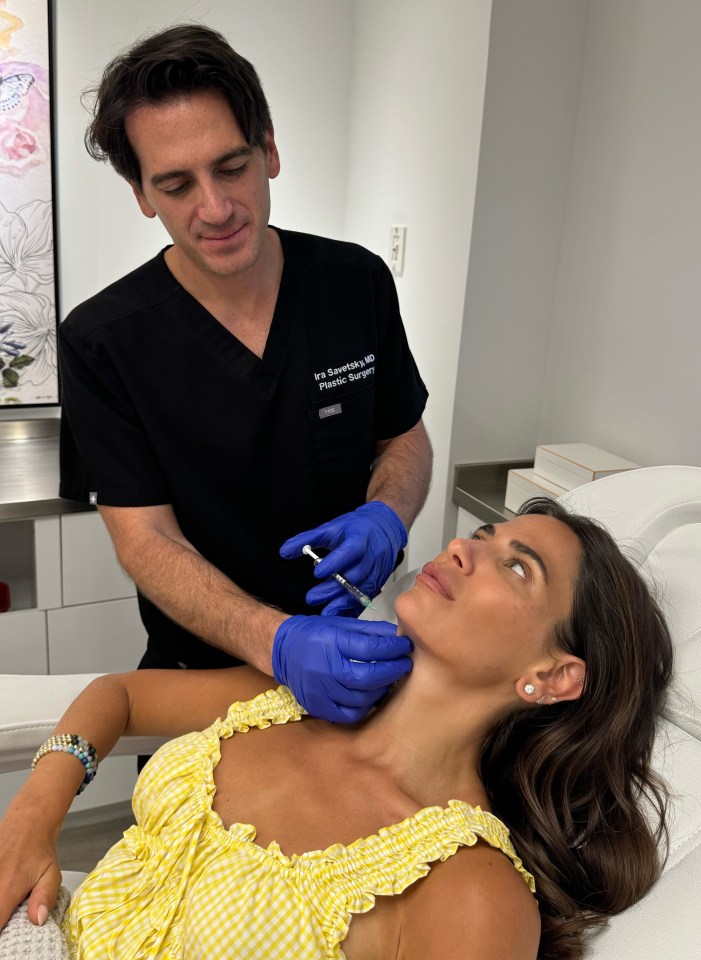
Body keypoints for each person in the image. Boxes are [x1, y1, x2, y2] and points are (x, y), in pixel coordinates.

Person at [0, 499, 673, 960]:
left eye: (517, 566)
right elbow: (117, 695)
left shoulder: (469, 891)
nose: (466, 548)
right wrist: (32, 816)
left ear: (552, 677)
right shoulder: (296, 697)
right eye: (484, 536)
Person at [58, 23, 432, 722]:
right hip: (198, 677)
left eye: (231, 166)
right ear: (143, 195)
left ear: (269, 151)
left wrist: (389, 512)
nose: (216, 208)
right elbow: (144, 538)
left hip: (357, 664)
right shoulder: (102, 341)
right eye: (176, 184)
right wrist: (278, 641)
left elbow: (403, 438)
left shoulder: (356, 282)